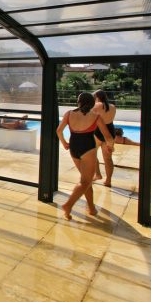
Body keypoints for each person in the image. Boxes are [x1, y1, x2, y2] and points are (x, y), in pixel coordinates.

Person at [56, 92, 114, 221]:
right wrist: (110, 146)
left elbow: (58, 131)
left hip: (74, 148)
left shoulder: (69, 114)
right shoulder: (96, 116)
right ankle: (68, 205)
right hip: (88, 149)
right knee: (85, 181)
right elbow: (108, 136)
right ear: (92, 103)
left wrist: (64, 143)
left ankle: (91, 208)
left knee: (86, 180)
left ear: (79, 102)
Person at [92, 89, 117, 187]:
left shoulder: (96, 105)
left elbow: (89, 116)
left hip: (98, 131)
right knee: (108, 158)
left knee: (92, 154)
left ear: (97, 97)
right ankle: (108, 181)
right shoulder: (113, 107)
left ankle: (98, 174)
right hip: (110, 131)